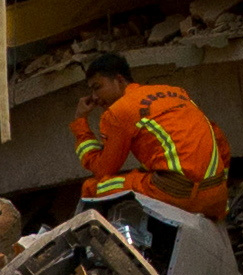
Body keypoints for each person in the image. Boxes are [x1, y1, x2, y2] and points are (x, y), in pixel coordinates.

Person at [68, 53, 230, 230]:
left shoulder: (119, 111)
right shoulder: (177, 93)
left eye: (97, 87)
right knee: (143, 174)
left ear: (119, 80)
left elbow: (103, 169)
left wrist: (80, 121)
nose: (95, 97)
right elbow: (219, 140)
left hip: (178, 193)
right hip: (217, 198)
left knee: (93, 188)